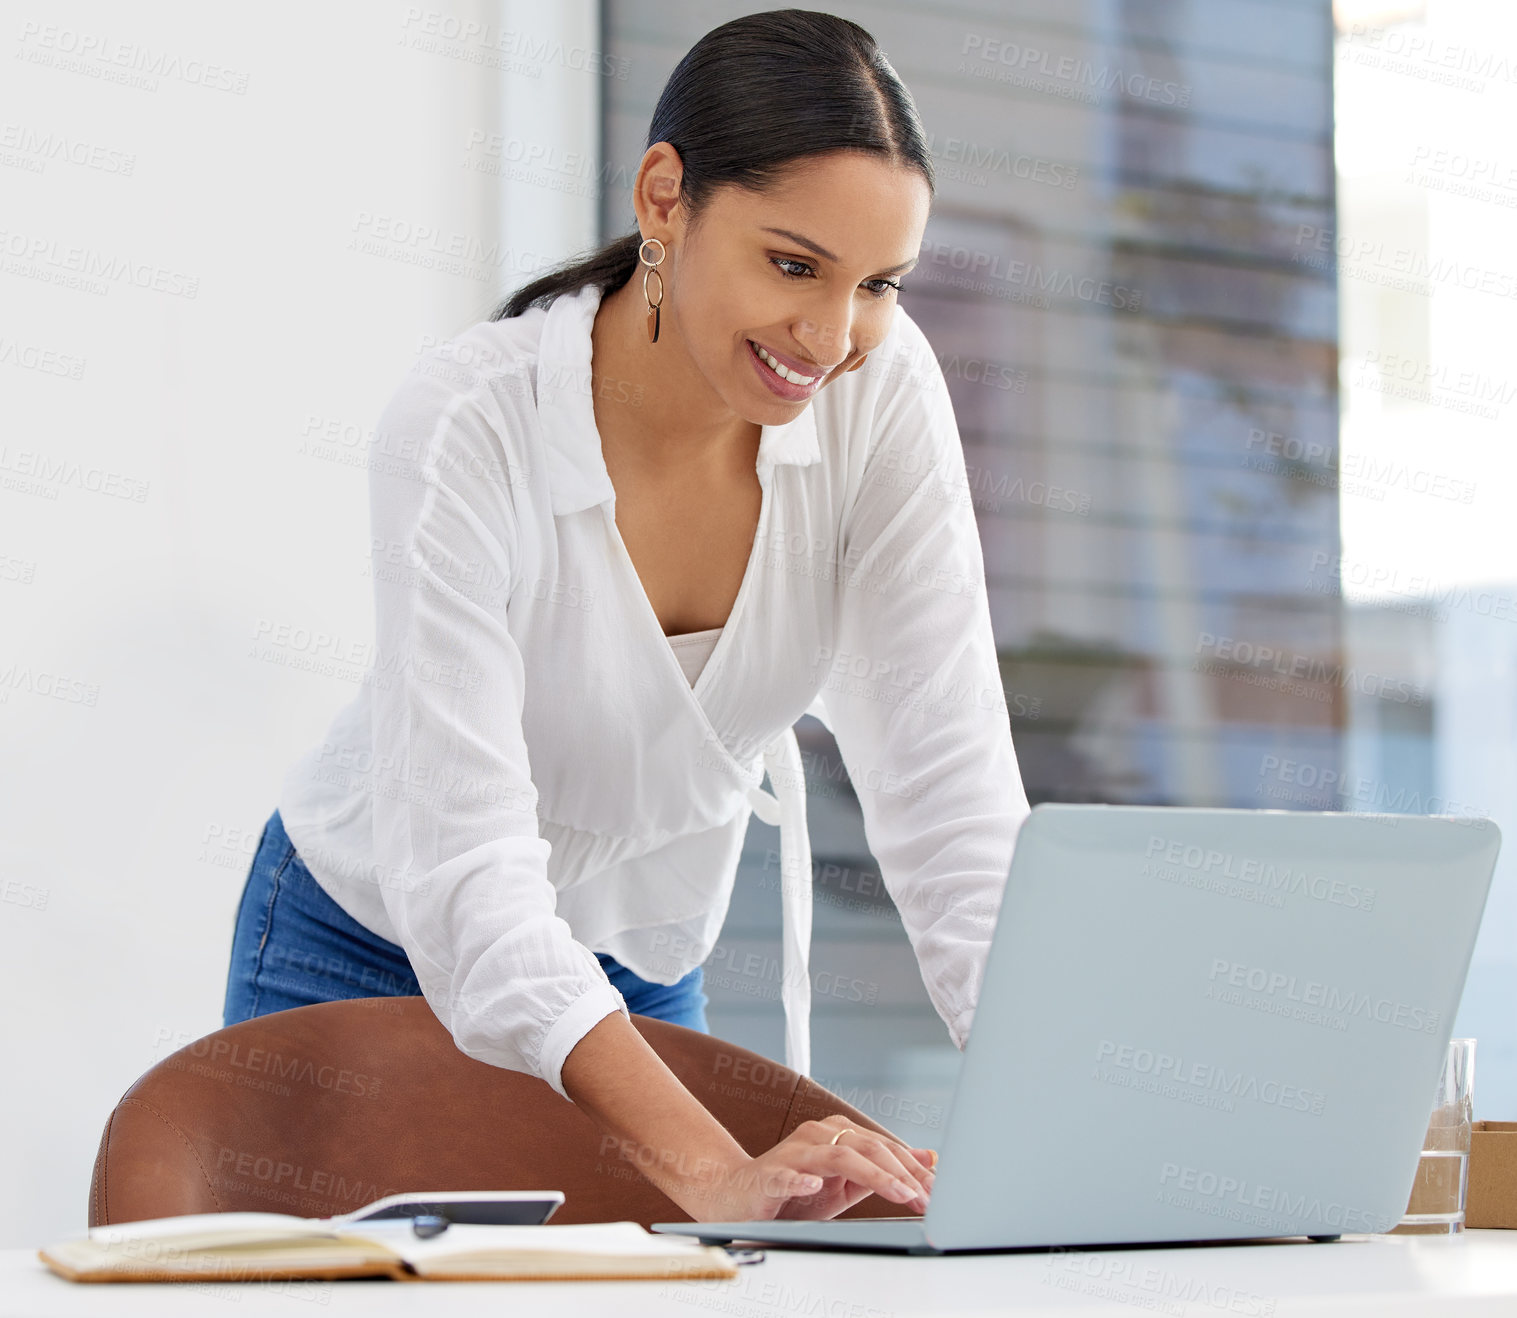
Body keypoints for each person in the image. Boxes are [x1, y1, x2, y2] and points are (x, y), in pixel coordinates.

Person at [223, 8, 1030, 1225]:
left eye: (878, 286)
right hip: (366, 937)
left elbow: (952, 801)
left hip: (637, 962)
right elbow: (469, 875)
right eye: (793, 264)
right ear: (665, 197)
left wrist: (1059, 1124)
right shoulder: (466, 428)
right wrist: (713, 1169)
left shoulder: (882, 391)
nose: (832, 337)